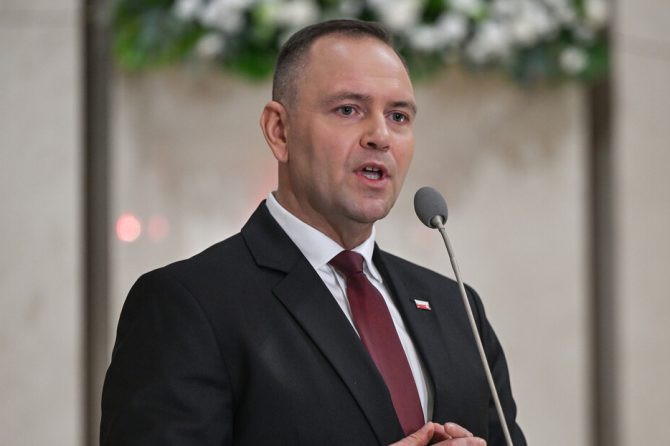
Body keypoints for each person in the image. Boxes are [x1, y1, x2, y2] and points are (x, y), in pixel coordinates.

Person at [100, 19, 526, 446]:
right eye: (348, 110)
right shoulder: (189, 305)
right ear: (279, 131)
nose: (380, 136)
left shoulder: (456, 306)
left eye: (398, 116)